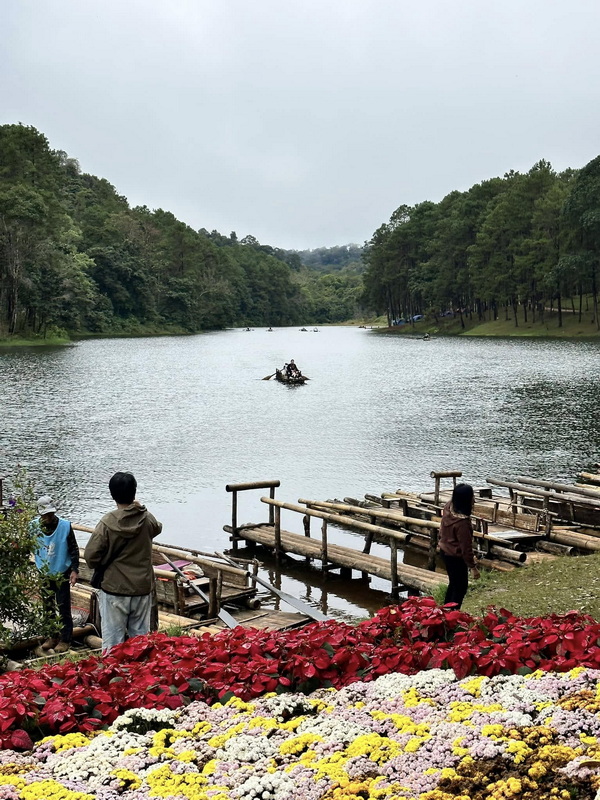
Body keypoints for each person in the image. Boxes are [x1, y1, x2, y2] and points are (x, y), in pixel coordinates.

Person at [84, 472, 162, 654]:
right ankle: (141, 677)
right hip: (141, 588)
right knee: (140, 641)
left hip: (114, 589)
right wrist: (141, 507)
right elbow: (157, 528)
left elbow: (90, 557)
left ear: (112, 494)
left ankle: (114, 679)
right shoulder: (146, 518)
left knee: (112, 642)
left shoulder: (107, 522)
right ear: (134, 492)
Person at [32, 496, 79, 653]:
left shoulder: (65, 526)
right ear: (40, 514)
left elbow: (73, 549)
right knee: (47, 606)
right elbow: (28, 546)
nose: (48, 518)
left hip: (61, 571)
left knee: (63, 605)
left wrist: (74, 570)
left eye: (50, 514)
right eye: (45, 515)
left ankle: (66, 639)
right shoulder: (33, 527)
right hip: (44, 572)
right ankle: (52, 636)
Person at [438, 483, 480, 608]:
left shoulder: (448, 507)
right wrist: (473, 568)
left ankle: (445, 612)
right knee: (460, 587)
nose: (474, 500)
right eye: (472, 497)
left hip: (444, 551)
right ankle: (453, 616)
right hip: (455, 557)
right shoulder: (462, 524)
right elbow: (466, 549)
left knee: (454, 584)